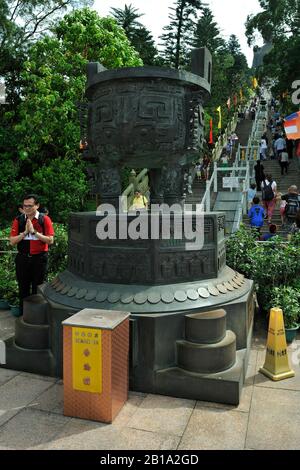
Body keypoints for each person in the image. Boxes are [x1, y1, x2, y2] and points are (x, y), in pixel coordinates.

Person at [9, 194, 55, 313]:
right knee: (23, 288)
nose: (27, 208)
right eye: (25, 206)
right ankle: (24, 315)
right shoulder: (19, 220)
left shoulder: (44, 219)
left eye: (30, 205)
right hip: (22, 258)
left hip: (39, 259)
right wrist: (24, 233)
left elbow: (50, 240)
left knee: (38, 288)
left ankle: (36, 316)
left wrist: (34, 232)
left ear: (37, 206)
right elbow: (12, 241)